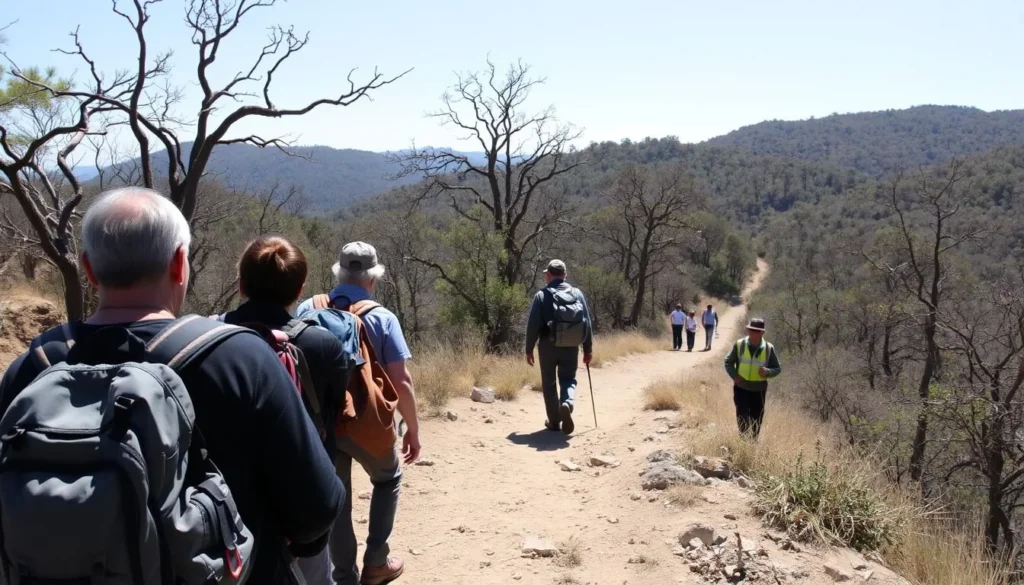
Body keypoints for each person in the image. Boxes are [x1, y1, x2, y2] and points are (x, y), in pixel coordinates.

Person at [0, 187, 343, 585]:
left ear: (89, 269)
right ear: (181, 263)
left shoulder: (33, 367)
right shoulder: (240, 359)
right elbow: (318, 508)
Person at [218, 235, 359, 585]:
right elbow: (333, 408)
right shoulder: (321, 344)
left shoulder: (211, 338)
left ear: (241, 284)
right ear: (300, 290)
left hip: (231, 502)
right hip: (302, 501)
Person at [295, 240, 421, 585]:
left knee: (339, 500)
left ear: (339, 272)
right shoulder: (382, 318)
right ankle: (377, 562)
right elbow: (402, 382)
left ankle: (344, 576)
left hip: (321, 424)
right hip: (367, 426)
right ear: (373, 277)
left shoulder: (308, 308)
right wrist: (412, 428)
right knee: (388, 478)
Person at [525, 259, 594, 436]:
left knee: (549, 383)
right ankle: (567, 403)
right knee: (568, 379)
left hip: (547, 345)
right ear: (565, 275)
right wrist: (588, 349)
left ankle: (554, 422)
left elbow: (533, 325)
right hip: (571, 345)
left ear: (548, 275)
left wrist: (529, 348)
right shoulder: (577, 294)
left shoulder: (541, 295)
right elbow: (586, 323)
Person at [723, 318, 782, 439]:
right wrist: (734, 375)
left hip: (759, 390)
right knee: (742, 417)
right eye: (751, 330)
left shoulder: (768, 348)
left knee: (756, 420)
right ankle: (743, 444)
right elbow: (728, 362)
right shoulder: (740, 345)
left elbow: (777, 368)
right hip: (741, 388)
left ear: (762, 333)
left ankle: (753, 444)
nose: (752, 333)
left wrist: (768, 372)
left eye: (756, 331)